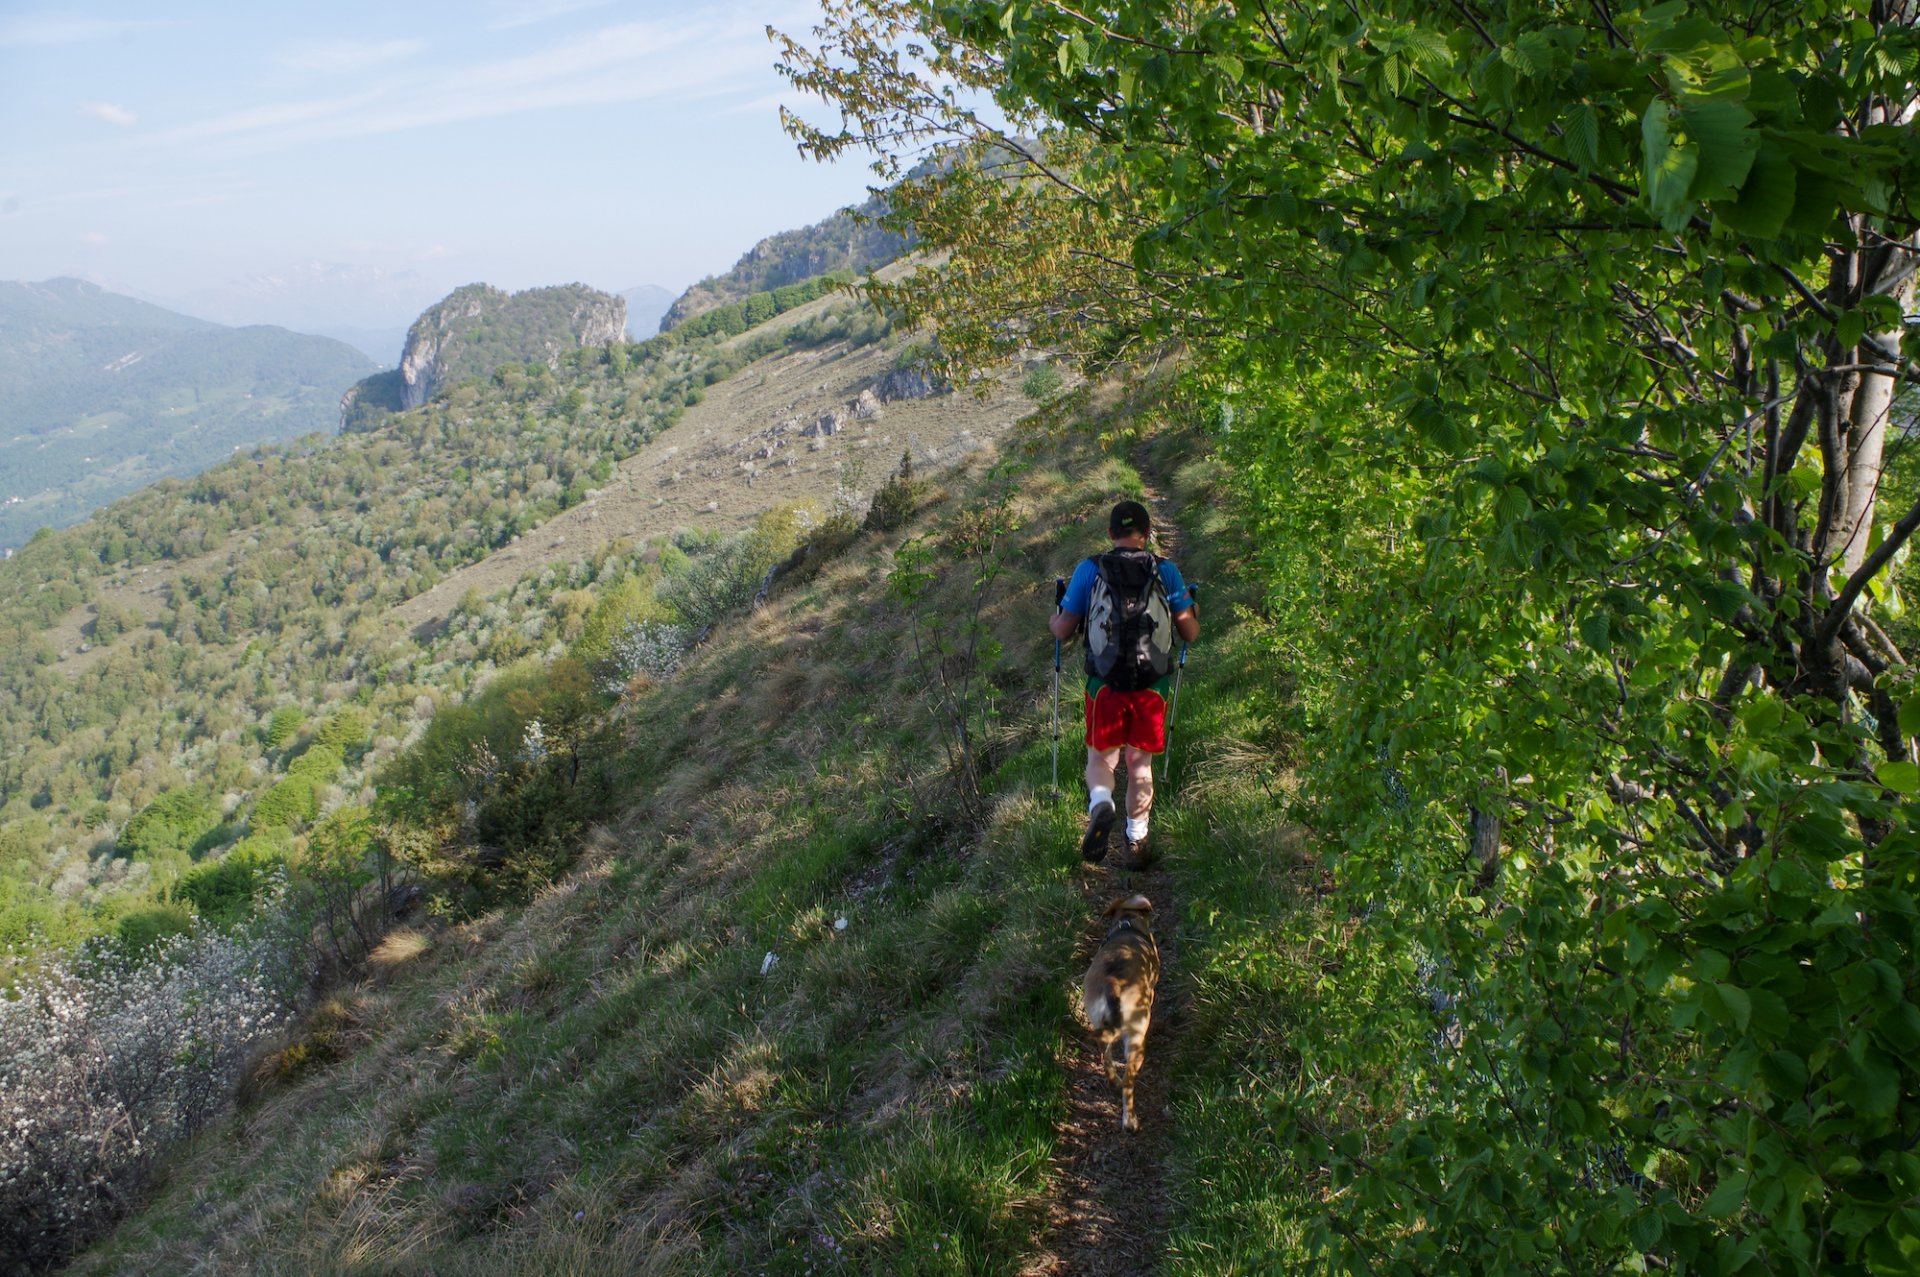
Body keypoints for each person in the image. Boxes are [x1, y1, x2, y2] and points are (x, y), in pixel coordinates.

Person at [1051, 499, 1198, 868]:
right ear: (1146, 535)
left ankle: (1101, 802)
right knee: (1139, 763)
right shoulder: (1166, 571)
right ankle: (1136, 841)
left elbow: (1063, 630)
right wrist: (1193, 608)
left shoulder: (1090, 569)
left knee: (1101, 756)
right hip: (1152, 686)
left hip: (1105, 684)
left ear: (1110, 534)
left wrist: (1055, 617)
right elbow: (1190, 632)